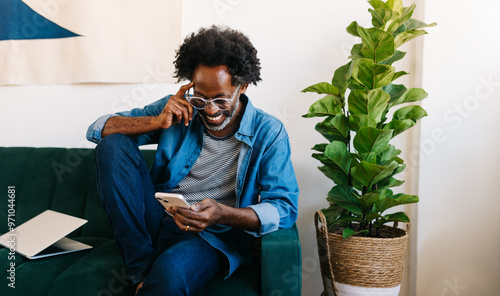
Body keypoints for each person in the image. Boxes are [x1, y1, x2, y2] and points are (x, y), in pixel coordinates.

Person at [86, 25, 299, 296]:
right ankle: (141, 271)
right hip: (157, 221)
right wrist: (156, 120)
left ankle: (152, 277)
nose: (210, 110)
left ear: (242, 86)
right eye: (201, 97)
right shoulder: (177, 108)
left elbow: (285, 208)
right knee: (112, 145)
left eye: (221, 99)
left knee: (171, 276)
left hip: (212, 237)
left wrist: (222, 213)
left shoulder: (269, 132)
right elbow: (97, 128)